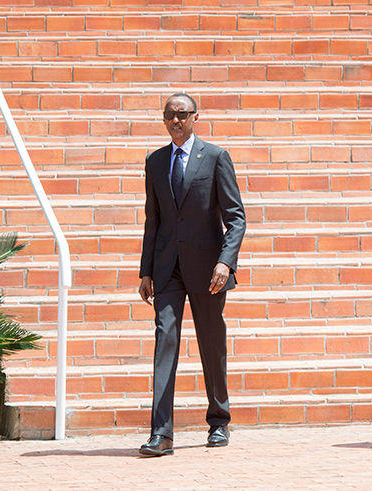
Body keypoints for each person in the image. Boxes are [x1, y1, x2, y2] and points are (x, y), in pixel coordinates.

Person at [137, 93, 246, 456]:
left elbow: (236, 217)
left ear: (196, 116)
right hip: (168, 269)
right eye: (169, 115)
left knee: (211, 344)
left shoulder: (216, 157)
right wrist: (146, 271)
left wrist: (225, 261)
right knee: (164, 340)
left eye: (182, 114)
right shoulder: (155, 161)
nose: (175, 121)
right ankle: (162, 434)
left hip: (208, 270)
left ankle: (219, 421)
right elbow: (153, 220)